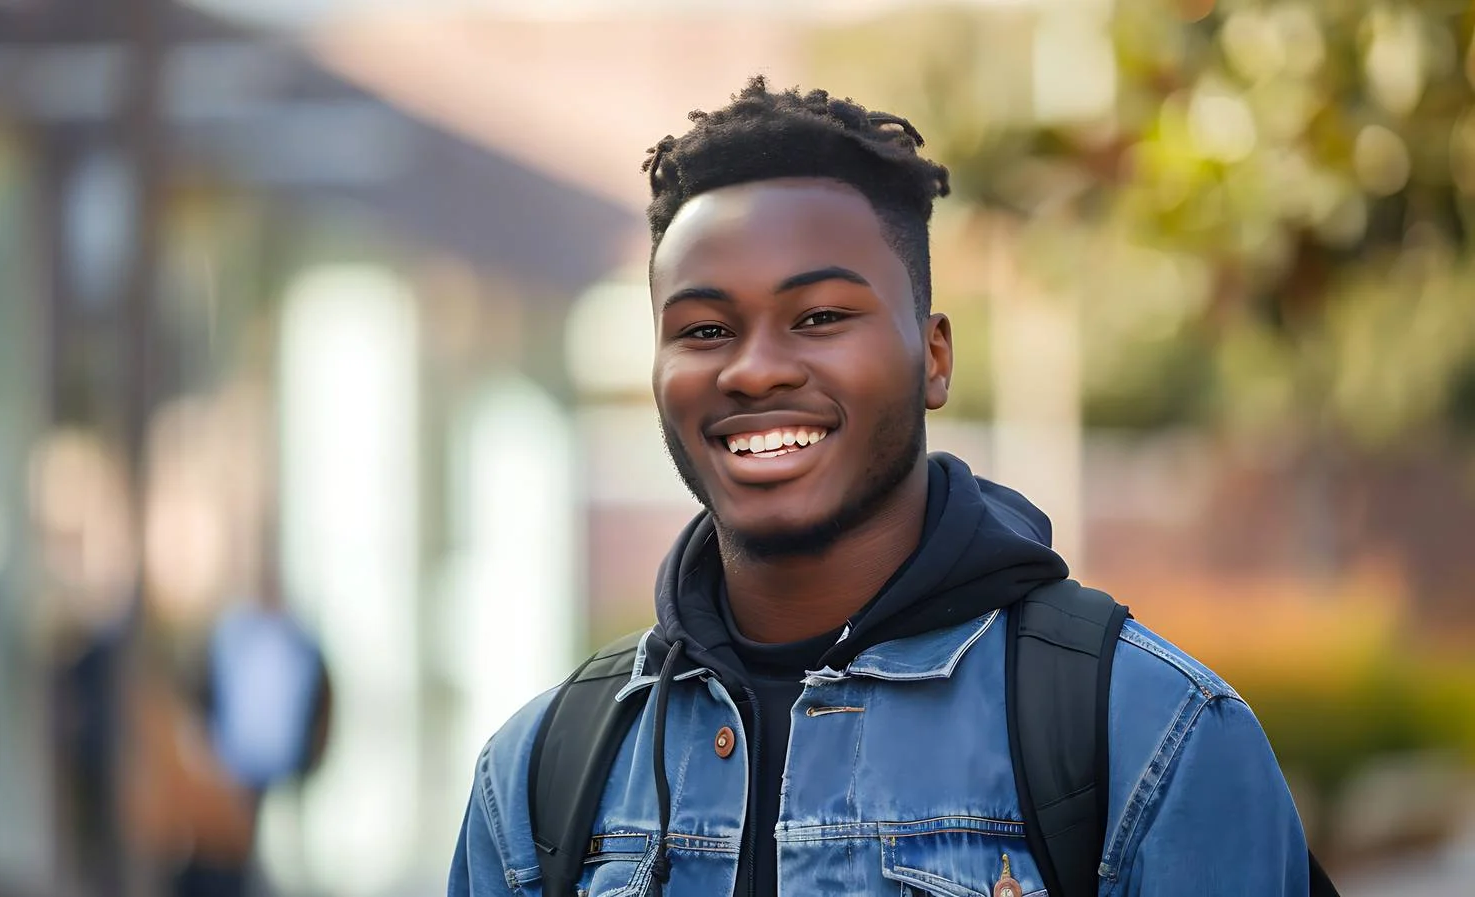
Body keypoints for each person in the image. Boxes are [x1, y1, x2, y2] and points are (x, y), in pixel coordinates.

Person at [449, 77, 1313, 896]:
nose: (753, 370)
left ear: (932, 355)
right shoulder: (542, 775)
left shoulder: (1148, 733)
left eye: (820, 316)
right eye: (705, 328)